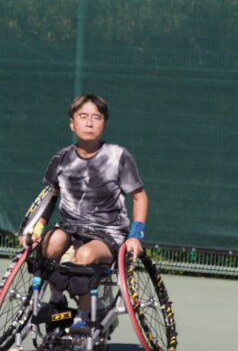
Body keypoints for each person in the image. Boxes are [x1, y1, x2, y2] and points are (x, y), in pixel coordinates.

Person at [20, 93, 148, 316]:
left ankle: (84, 315)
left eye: (96, 117)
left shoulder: (119, 156)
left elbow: (140, 197)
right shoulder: (60, 159)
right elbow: (51, 197)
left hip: (108, 235)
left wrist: (135, 236)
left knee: (85, 255)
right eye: (83, 116)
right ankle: (57, 300)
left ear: (104, 124)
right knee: (51, 242)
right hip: (70, 229)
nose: (89, 123)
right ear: (72, 123)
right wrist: (37, 229)